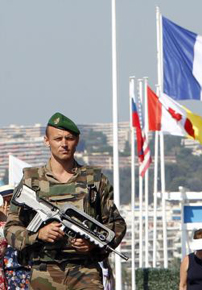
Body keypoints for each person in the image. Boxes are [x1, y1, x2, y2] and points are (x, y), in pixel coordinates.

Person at [5, 112, 127, 290]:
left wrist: (92, 246)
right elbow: (10, 228)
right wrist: (38, 235)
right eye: (58, 138)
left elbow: (117, 224)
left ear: (77, 141)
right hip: (44, 271)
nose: (64, 144)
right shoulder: (31, 182)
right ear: (47, 141)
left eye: (69, 138)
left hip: (85, 272)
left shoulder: (94, 181)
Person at [0, 185, 30, 289]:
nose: (7, 205)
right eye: (5, 201)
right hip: (7, 273)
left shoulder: (25, 221)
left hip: (25, 271)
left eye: (11, 201)